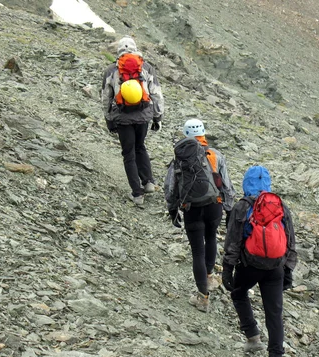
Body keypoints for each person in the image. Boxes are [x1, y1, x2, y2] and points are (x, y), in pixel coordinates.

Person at [222, 165, 297, 357]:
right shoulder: (280, 204)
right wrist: (288, 269)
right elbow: (291, 239)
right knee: (274, 313)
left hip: (250, 265)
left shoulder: (242, 206)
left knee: (238, 293)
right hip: (276, 267)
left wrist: (228, 268)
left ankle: (253, 337)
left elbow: (233, 241)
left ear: (247, 183)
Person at [164, 119, 235, 312]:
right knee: (211, 237)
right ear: (203, 133)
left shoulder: (180, 157)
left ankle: (203, 297)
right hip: (214, 206)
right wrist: (229, 210)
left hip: (191, 208)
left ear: (186, 134)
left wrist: (173, 210)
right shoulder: (215, 155)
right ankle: (210, 275)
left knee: (197, 251)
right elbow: (227, 186)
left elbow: (170, 187)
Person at [101, 36, 164, 206]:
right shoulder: (146, 67)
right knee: (140, 147)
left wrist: (109, 119)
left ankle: (137, 194)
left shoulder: (111, 70)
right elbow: (156, 93)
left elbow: (106, 98)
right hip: (143, 115)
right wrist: (157, 116)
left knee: (128, 154)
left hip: (122, 118)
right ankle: (149, 182)